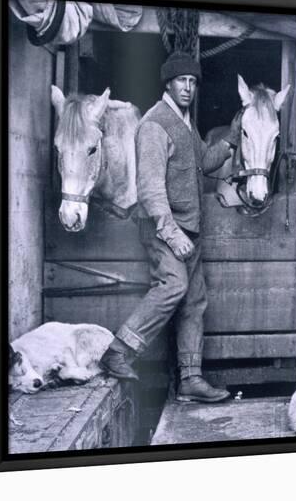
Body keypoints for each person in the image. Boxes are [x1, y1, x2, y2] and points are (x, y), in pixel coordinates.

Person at [100, 51, 239, 403]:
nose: (188, 88)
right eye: (182, 81)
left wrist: (233, 138)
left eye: (193, 82)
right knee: (173, 286)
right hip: (167, 229)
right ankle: (119, 350)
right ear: (168, 82)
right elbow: (149, 188)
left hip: (189, 228)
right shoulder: (154, 124)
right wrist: (172, 233)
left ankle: (191, 380)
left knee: (194, 301)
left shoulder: (184, 122)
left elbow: (205, 162)